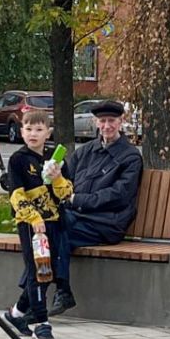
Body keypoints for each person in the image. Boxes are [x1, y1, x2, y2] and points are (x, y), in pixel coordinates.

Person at [53, 99, 143, 317]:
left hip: (107, 223)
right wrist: (53, 176)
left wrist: (77, 200)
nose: (107, 126)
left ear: (121, 122)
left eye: (111, 121)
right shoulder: (85, 151)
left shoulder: (130, 157)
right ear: (96, 123)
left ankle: (37, 298)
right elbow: (65, 178)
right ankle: (55, 292)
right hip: (77, 219)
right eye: (102, 121)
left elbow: (118, 196)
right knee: (51, 233)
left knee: (54, 230)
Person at [1, 110, 71, 339]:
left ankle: (17, 314)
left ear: (48, 133)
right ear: (21, 132)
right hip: (31, 225)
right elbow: (16, 195)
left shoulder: (55, 158)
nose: (33, 134)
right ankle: (42, 322)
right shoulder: (18, 160)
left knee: (48, 271)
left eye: (39, 130)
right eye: (28, 129)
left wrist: (58, 177)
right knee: (38, 271)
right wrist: (33, 218)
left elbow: (66, 193)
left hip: (54, 222)